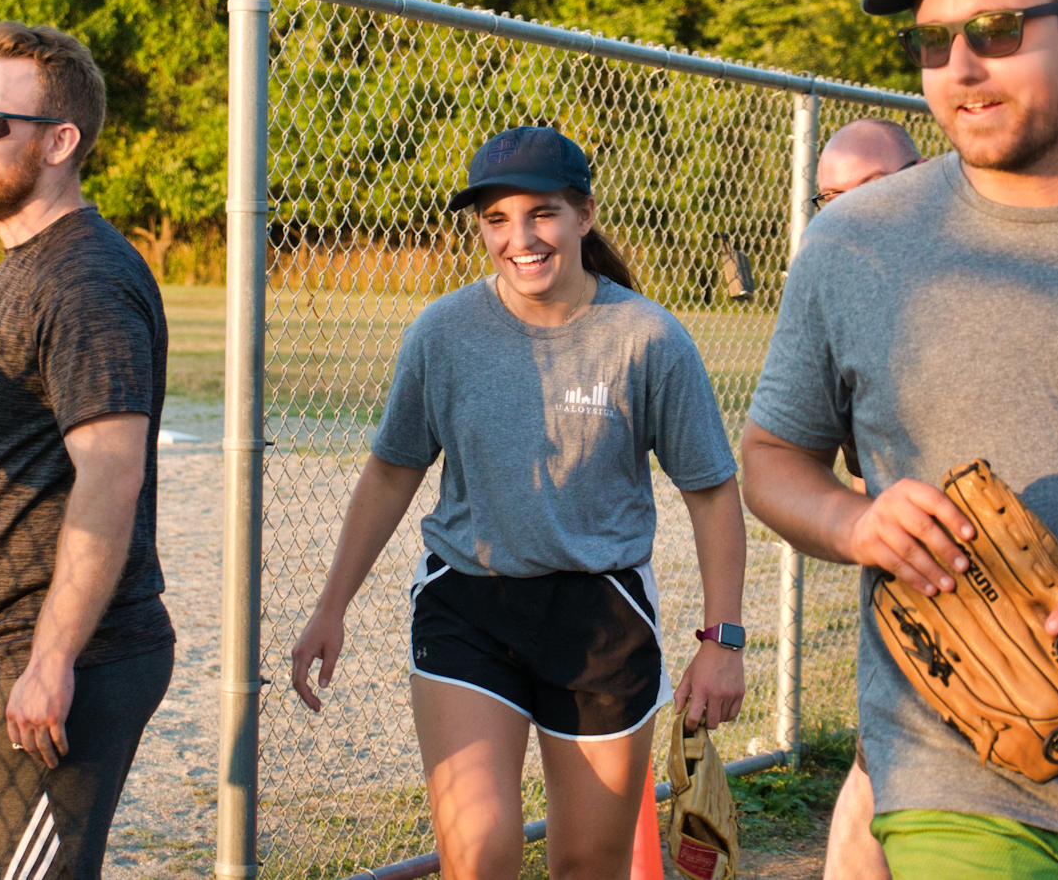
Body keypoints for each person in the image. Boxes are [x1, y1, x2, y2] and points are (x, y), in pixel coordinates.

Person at [740, 0, 1058, 877]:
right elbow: (773, 459)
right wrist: (852, 521)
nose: (958, 69)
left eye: (995, 32)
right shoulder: (855, 242)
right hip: (957, 781)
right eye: (931, 42)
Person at [290, 126, 748, 880]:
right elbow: (390, 473)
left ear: (583, 216)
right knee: (479, 852)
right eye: (496, 219)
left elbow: (712, 491)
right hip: (468, 607)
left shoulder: (647, 338)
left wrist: (723, 640)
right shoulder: (443, 333)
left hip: (602, 619)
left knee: (587, 863)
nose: (519, 238)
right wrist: (331, 603)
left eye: (541, 213)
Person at [0, 22, 174, 880]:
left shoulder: (87, 282)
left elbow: (111, 474)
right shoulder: (28, 262)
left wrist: (53, 660)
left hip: (57, 667)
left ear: (60, 142)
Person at [809, 117, 924, 880]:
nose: (847, 214)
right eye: (829, 199)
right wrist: (865, 522)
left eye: (871, 192)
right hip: (920, 592)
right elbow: (791, 463)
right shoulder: (832, 296)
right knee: (876, 770)